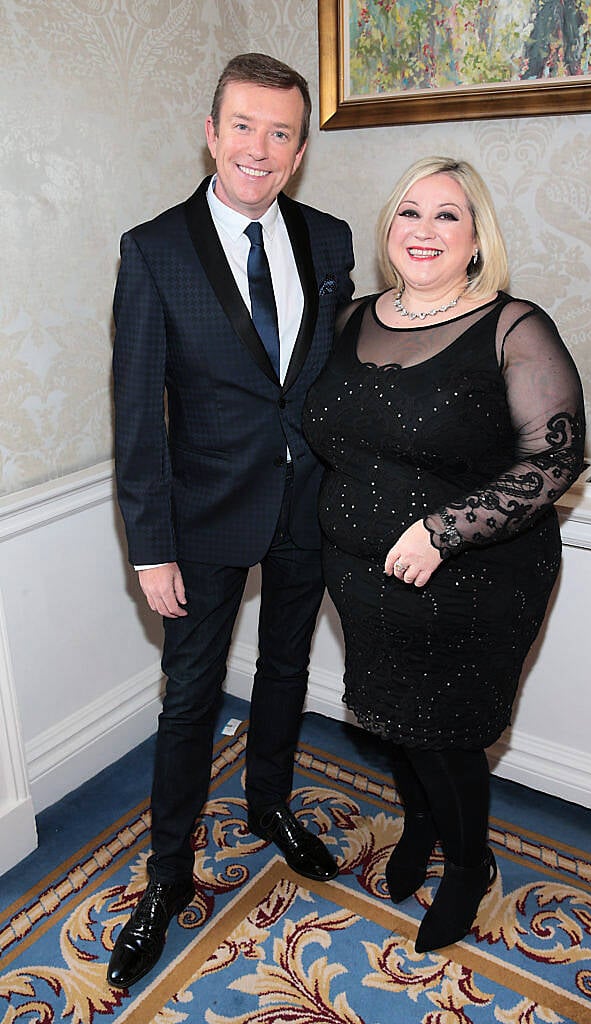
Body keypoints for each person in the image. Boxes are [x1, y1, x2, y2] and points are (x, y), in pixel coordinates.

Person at [108, 52, 354, 989]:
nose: (260, 147)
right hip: (200, 517)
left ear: (298, 148)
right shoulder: (154, 248)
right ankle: (166, 876)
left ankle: (268, 805)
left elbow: (330, 381)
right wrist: (150, 548)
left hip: (305, 508)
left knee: (287, 668)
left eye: (281, 132)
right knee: (188, 699)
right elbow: (136, 413)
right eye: (243, 126)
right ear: (211, 133)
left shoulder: (328, 242)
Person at [303, 156, 585, 954]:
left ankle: (467, 862)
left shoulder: (512, 324)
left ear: (475, 238)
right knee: (394, 722)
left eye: (446, 216)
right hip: (359, 573)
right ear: (387, 231)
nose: (422, 231)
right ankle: (421, 822)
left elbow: (555, 457)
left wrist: (442, 531)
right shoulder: (349, 317)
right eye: (408, 213)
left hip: (475, 576)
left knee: (448, 735)